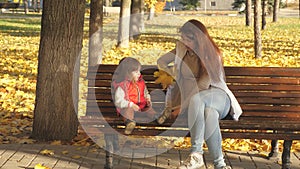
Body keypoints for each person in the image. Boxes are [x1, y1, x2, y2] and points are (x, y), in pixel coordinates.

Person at [156, 19, 243, 169]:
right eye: (182, 37)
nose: (183, 41)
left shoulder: (212, 54)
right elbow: (161, 61)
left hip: (218, 97)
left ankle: (196, 154)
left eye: (187, 39)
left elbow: (202, 87)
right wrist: (172, 74)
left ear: (197, 38)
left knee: (199, 100)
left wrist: (181, 108)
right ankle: (220, 165)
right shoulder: (181, 48)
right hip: (198, 103)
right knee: (209, 115)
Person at [113, 57, 157, 135]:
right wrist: (131, 105)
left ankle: (155, 117)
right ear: (127, 73)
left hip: (140, 107)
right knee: (127, 111)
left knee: (148, 109)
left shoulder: (140, 83)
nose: (139, 74)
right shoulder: (123, 86)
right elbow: (118, 101)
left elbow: (145, 93)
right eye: (136, 72)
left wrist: (148, 99)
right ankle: (130, 123)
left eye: (139, 71)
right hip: (128, 108)